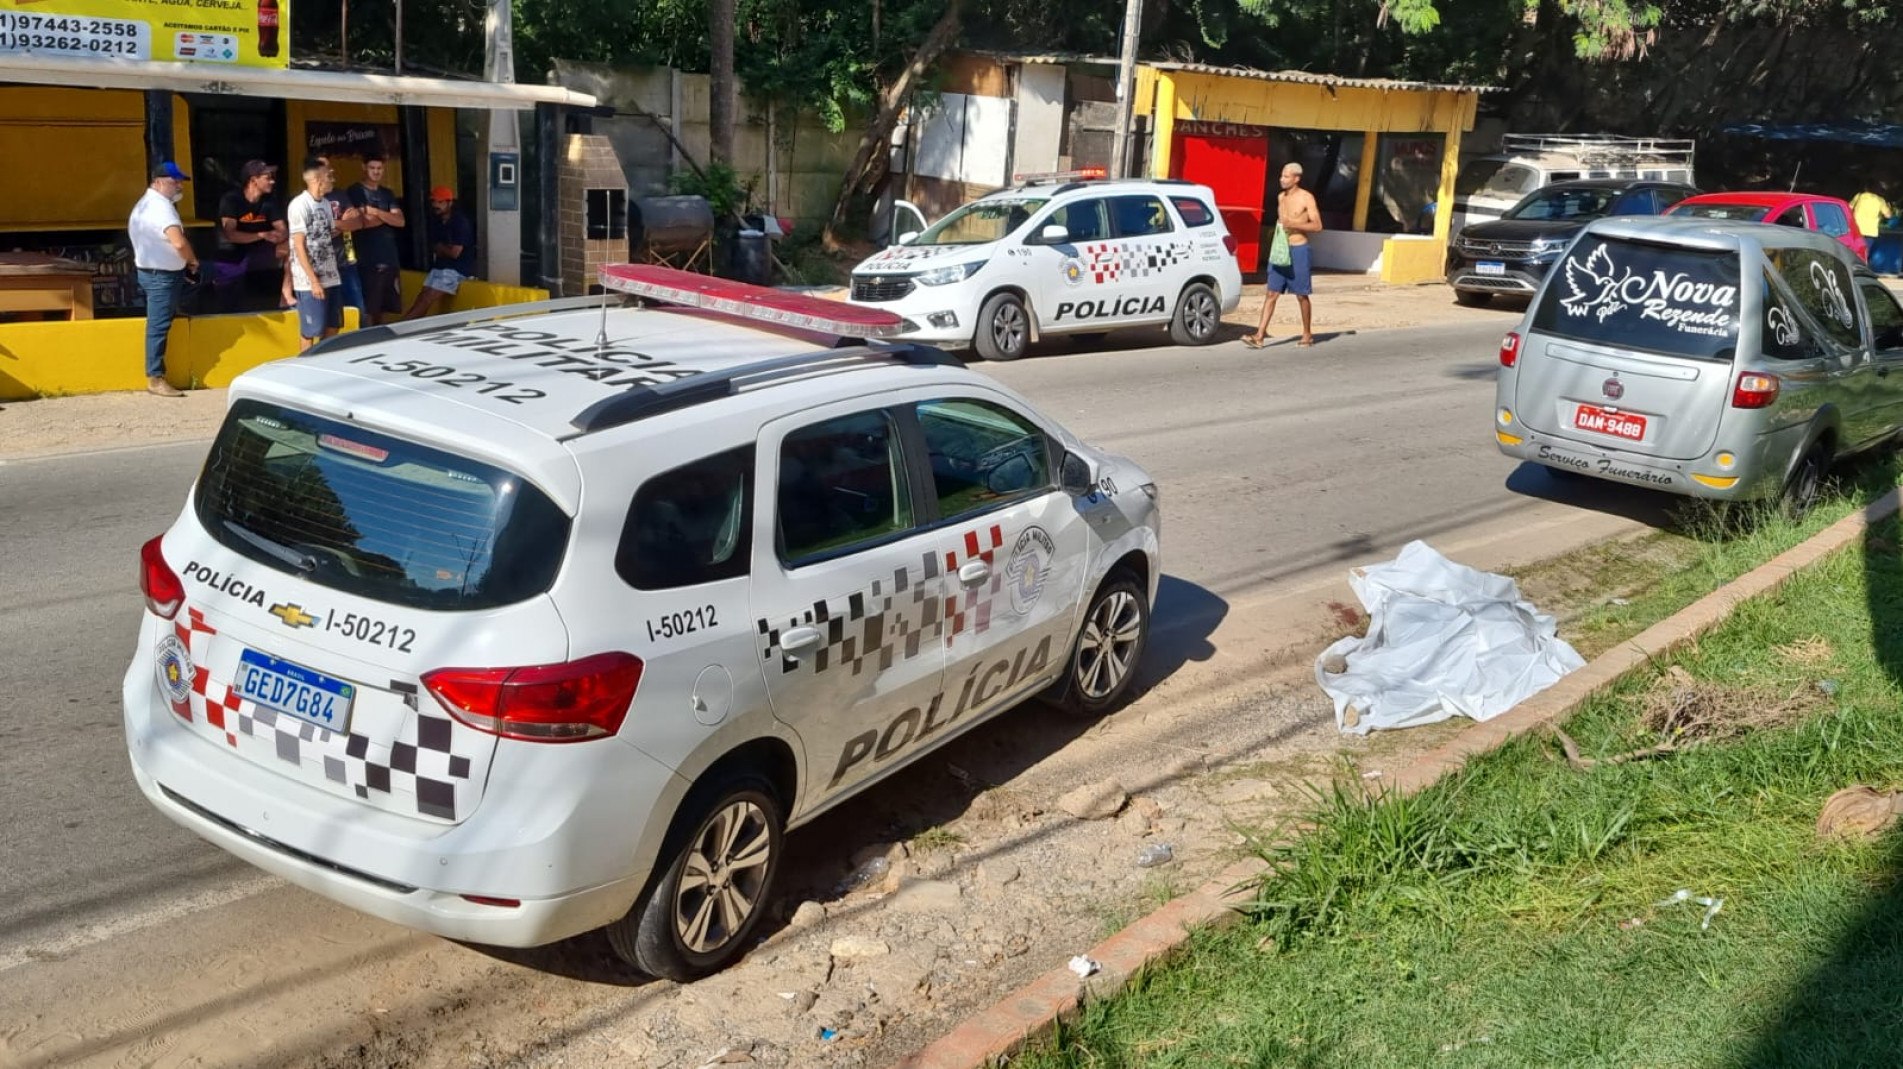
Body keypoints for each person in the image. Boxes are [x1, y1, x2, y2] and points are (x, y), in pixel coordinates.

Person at [128, 161, 198, 397]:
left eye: (180, 181)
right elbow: (178, 242)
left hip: (152, 272)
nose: (179, 186)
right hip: (163, 276)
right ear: (157, 182)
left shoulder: (145, 204)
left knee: (160, 322)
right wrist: (192, 260)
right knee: (158, 326)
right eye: (173, 182)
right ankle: (155, 378)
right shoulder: (162, 208)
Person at [1244, 162, 1324, 349]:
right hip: (1280, 250)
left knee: (1301, 295)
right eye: (1282, 176)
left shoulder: (1306, 198)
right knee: (1271, 293)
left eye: (1286, 176)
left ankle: (1307, 334)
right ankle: (1259, 335)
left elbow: (1317, 225)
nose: (1282, 179)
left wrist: (1293, 224)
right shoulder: (1281, 197)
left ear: (1296, 178)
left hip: (1299, 250)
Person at [282, 154, 363, 318]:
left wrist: (336, 224)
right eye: (325, 170)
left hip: (342, 262)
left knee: (354, 312)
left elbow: (357, 223)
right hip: (314, 272)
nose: (331, 173)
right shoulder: (300, 204)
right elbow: (298, 245)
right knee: (317, 322)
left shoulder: (335, 197)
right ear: (316, 175)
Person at [211, 160, 286, 312]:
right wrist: (262, 235)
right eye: (267, 177)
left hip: (260, 253)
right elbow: (230, 234)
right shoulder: (231, 199)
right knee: (228, 300)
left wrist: (280, 237)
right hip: (231, 254)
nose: (272, 181)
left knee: (292, 246)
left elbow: (283, 229)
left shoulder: (269, 201)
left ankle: (286, 296)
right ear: (253, 180)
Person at [286, 156, 343, 352]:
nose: (332, 180)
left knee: (333, 324)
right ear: (318, 179)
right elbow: (299, 245)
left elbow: (329, 232)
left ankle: (324, 358)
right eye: (329, 176)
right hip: (309, 280)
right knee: (311, 329)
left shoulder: (326, 204)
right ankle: (306, 361)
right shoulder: (299, 205)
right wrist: (313, 281)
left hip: (330, 274)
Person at [346, 152, 406, 324]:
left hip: (389, 258)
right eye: (372, 168)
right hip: (368, 259)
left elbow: (400, 221)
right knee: (369, 308)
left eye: (379, 168)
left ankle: (382, 337)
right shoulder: (355, 191)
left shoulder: (387, 193)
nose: (376, 171)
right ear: (364, 168)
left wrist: (375, 212)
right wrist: (387, 217)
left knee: (385, 308)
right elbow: (363, 222)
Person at [404, 186, 476, 320]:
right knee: (422, 296)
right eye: (434, 201)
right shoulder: (437, 221)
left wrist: (440, 248)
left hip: (456, 271)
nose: (436, 205)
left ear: (450, 202)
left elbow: (454, 253)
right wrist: (442, 248)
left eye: (440, 202)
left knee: (427, 298)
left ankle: (402, 326)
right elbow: (434, 247)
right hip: (440, 267)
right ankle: (408, 324)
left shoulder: (459, 222)